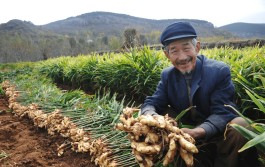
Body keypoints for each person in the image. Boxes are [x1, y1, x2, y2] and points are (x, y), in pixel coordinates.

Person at [140, 22, 260, 167]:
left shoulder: (218, 71)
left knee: (241, 125)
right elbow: (152, 102)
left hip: (216, 132)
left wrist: (198, 132)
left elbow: (223, 111)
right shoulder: (167, 75)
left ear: (197, 48)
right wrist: (153, 118)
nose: (182, 57)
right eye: (174, 51)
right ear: (167, 54)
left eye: (186, 48)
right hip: (185, 132)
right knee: (160, 115)